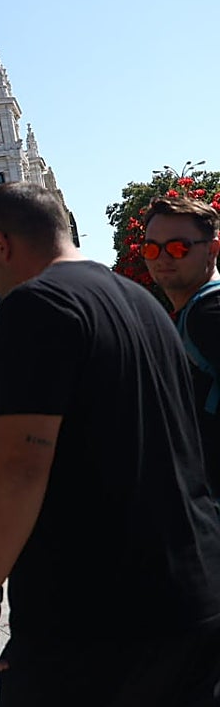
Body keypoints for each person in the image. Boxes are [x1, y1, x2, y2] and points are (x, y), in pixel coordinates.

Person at [0, 182, 220, 707]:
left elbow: (18, 468)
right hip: (192, 596)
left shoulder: (35, 305)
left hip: (97, 618)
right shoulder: (145, 307)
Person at [142, 193, 220, 497]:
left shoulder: (208, 314)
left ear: (213, 249)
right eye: (151, 248)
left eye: (178, 247)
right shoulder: (195, 313)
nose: (162, 258)